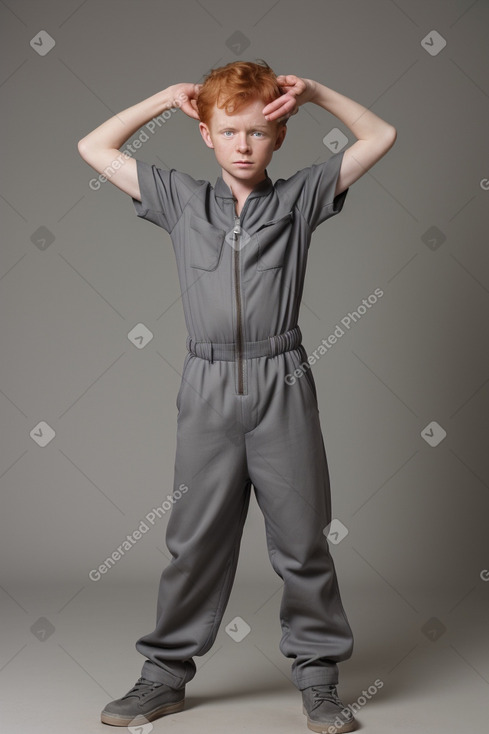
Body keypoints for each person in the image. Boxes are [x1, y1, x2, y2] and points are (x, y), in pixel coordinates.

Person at [78, 60, 396, 733]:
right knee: (193, 541)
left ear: (277, 136)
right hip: (207, 386)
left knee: (302, 540)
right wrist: (165, 99)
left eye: (256, 132)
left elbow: (379, 135)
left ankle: (317, 681)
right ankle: (163, 677)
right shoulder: (178, 199)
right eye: (229, 131)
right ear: (206, 135)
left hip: (281, 379)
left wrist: (314, 92)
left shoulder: (300, 198)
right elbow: (94, 148)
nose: (244, 145)